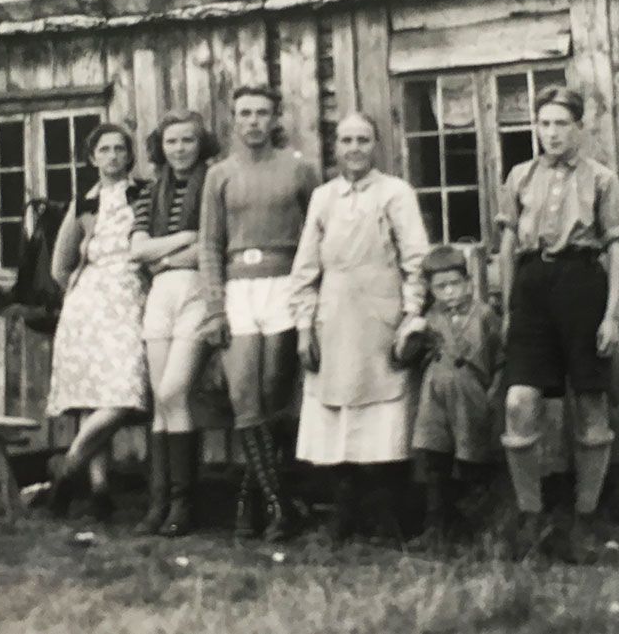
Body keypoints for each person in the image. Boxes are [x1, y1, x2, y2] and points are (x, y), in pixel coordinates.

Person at [496, 86, 619, 562]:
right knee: (520, 401)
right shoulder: (519, 176)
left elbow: (616, 246)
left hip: (582, 286)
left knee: (590, 402)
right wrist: (510, 307)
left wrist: (612, 313)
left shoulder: (601, 179)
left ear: (579, 127)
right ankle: (530, 514)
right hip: (532, 290)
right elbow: (509, 246)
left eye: (561, 124)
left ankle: (587, 516)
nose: (551, 133)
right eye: (544, 124)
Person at [290, 112, 429, 545]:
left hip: (379, 316)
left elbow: (416, 260)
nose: (354, 148)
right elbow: (305, 267)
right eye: (347, 140)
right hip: (333, 317)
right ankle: (343, 515)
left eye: (363, 140)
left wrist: (410, 315)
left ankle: (387, 518)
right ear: (336, 147)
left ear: (376, 146)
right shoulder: (323, 198)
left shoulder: (395, 193)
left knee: (384, 416)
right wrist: (303, 326)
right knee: (335, 415)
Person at [197, 85, 318, 542]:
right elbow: (209, 243)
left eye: (261, 113)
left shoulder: (299, 169)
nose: (253, 122)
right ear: (233, 119)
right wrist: (214, 306)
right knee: (245, 396)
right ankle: (277, 504)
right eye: (245, 113)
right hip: (238, 290)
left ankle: (253, 499)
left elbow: (316, 232)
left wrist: (310, 295)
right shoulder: (219, 175)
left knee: (274, 397)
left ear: (275, 118)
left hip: (285, 286)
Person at [44, 123, 150, 521]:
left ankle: (68, 469)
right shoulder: (82, 202)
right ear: (92, 158)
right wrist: (80, 287)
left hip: (130, 298)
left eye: (120, 149)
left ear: (129, 155)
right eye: (104, 150)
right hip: (88, 305)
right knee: (94, 395)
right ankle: (101, 492)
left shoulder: (143, 195)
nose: (112, 157)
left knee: (123, 393)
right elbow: (59, 265)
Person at [128, 110, 220, 537]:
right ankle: (160, 502)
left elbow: (216, 244)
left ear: (200, 143)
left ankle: (185, 501)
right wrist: (185, 240)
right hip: (160, 291)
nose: (179, 149)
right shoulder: (149, 192)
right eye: (171, 142)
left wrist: (171, 252)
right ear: (160, 147)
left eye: (186, 140)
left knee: (173, 392)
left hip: (199, 290)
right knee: (161, 404)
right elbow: (137, 249)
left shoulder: (216, 182)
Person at [404, 243, 504, 550]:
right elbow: (404, 355)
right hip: (434, 398)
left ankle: (477, 529)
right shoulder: (429, 319)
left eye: (455, 284)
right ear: (431, 291)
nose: (449, 293)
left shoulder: (485, 315)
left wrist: (493, 394)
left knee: (472, 456)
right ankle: (436, 527)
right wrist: (412, 333)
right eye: (440, 287)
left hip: (470, 395)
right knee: (435, 459)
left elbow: (501, 359)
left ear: (469, 283)